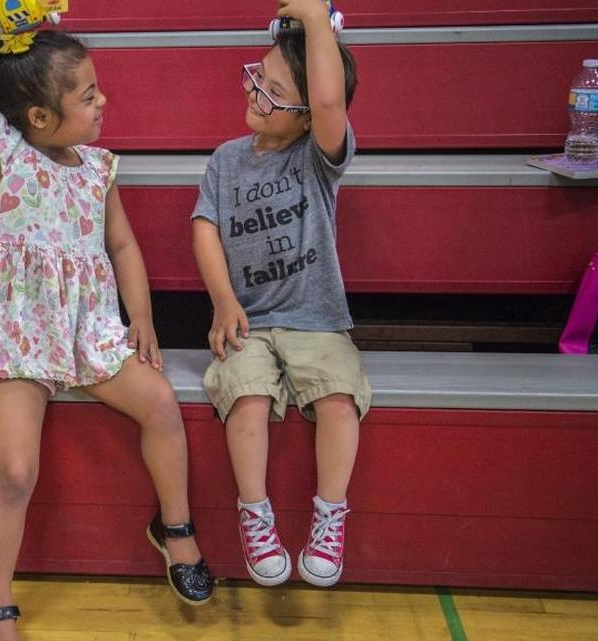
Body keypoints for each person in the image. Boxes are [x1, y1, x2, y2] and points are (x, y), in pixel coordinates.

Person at [0, 1, 214, 638]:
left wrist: (140, 314)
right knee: (15, 469)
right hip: (16, 333)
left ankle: (174, 528)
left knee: (163, 403)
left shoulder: (99, 169)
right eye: (88, 96)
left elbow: (120, 245)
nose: (103, 102)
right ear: (39, 117)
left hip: (88, 329)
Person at [190, 0, 369, 589]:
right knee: (244, 397)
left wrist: (317, 22)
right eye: (255, 78)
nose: (253, 92)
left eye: (270, 90)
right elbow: (206, 227)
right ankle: (255, 514)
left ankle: (329, 515)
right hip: (248, 321)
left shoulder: (319, 157)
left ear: (302, 114)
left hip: (317, 319)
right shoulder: (225, 160)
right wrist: (222, 299)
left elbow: (326, 101)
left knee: (339, 397)